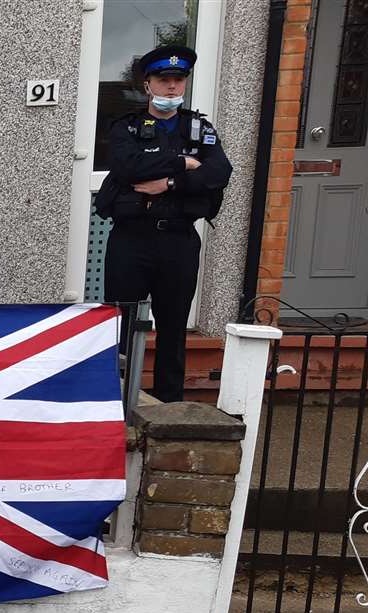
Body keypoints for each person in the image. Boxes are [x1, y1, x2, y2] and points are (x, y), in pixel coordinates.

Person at [96, 45, 232, 402]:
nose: (172, 87)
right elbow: (127, 168)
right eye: (163, 80)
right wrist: (185, 165)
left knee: (173, 328)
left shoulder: (199, 128)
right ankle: (119, 402)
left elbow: (220, 172)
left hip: (177, 241)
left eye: (178, 80)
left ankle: (169, 408)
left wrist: (169, 183)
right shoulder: (127, 126)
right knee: (122, 324)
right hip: (132, 240)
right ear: (148, 84)